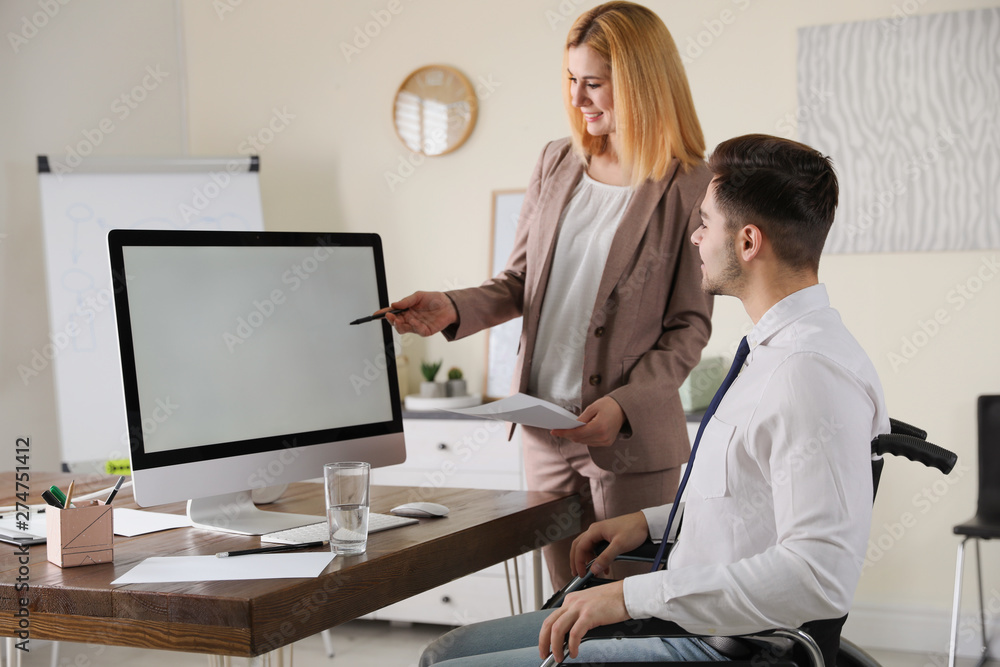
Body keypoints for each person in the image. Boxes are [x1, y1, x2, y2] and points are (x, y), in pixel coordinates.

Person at [417, 133, 889, 666]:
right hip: (690, 621)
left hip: (720, 646)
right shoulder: (775, 352)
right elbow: (745, 505)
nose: (695, 238)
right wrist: (652, 524)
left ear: (748, 242)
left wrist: (627, 595)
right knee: (447, 651)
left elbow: (817, 577)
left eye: (705, 222)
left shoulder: (809, 374)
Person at [386, 1, 713, 590]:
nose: (578, 98)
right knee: (563, 609)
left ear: (641, 85)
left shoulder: (691, 183)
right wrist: (452, 307)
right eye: (570, 80)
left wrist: (625, 405)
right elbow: (519, 283)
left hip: (629, 440)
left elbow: (689, 326)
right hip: (542, 433)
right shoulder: (555, 161)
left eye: (594, 84)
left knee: (625, 609)